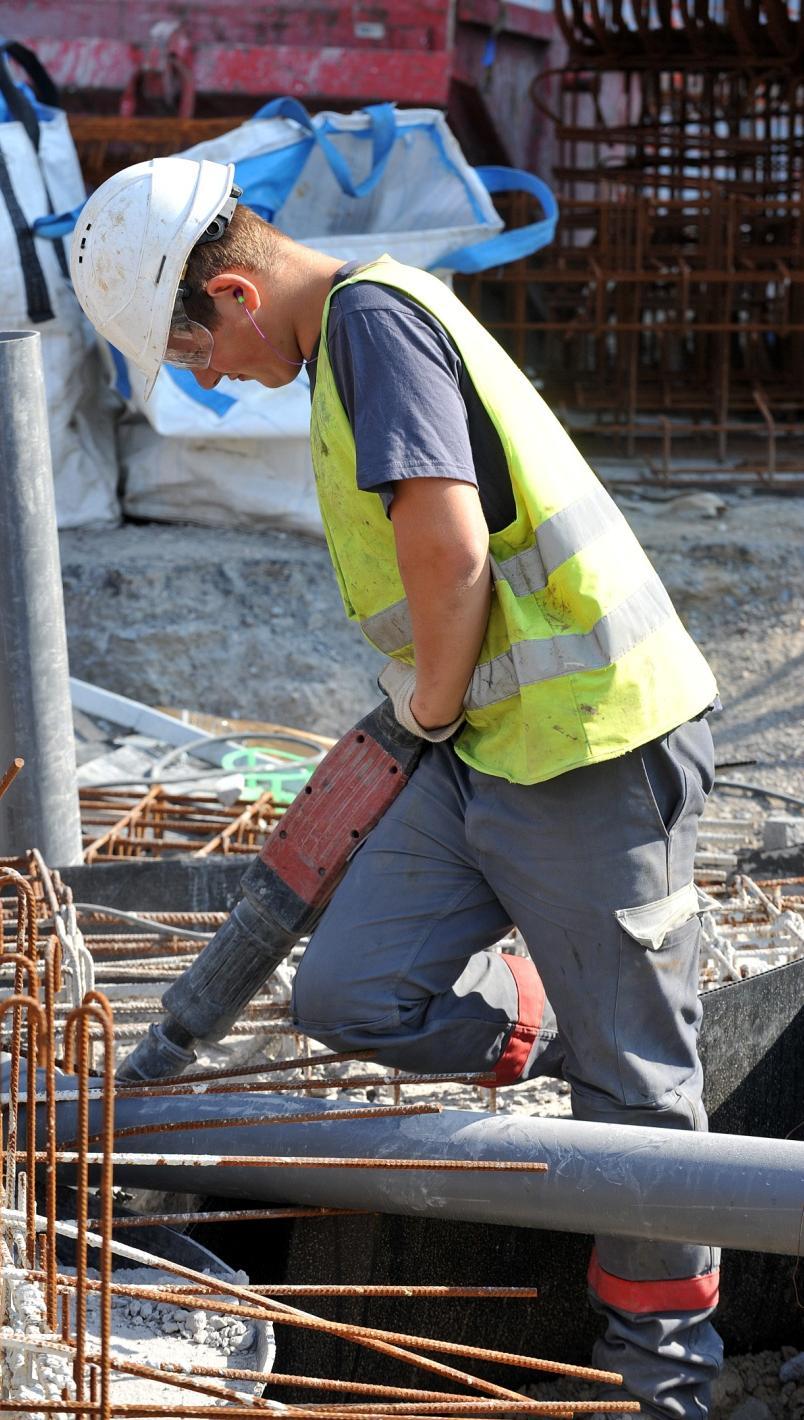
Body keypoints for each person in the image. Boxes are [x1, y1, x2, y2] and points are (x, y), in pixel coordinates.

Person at [71, 156, 723, 1419]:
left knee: (643, 1105)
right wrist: (437, 719)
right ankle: (559, 1020)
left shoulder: (373, 323)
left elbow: (447, 538)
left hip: (589, 745)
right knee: (355, 985)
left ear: (236, 294)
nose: (203, 378)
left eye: (193, 351)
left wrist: (420, 708)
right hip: (486, 745)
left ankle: (670, 1392)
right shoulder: (339, 351)